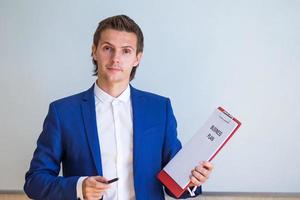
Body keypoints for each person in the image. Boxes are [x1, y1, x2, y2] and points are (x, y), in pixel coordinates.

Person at [24, 15, 213, 200]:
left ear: (137, 58)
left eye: (126, 51)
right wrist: (79, 187)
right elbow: (35, 182)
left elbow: (174, 186)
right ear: (94, 51)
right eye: (108, 48)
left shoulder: (160, 109)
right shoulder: (63, 112)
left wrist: (192, 180)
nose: (116, 58)